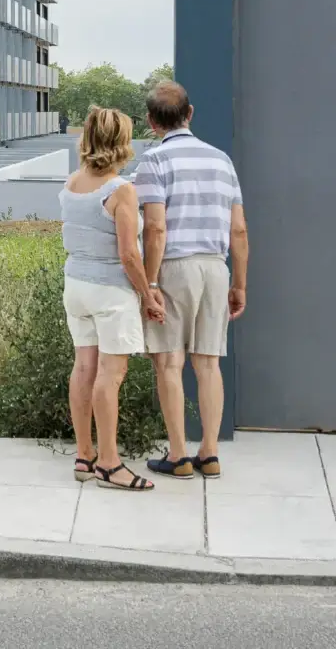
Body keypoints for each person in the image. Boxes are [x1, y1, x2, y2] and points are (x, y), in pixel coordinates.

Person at [134, 80, 249, 479]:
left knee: (169, 362)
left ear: (151, 122)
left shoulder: (153, 161)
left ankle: (179, 455)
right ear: (190, 113)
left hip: (173, 267)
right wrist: (239, 284)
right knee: (208, 363)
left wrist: (148, 283)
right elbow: (238, 231)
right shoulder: (222, 161)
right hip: (216, 268)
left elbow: (155, 228)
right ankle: (211, 453)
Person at [59, 107, 165, 492]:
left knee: (83, 368)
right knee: (111, 375)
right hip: (109, 292)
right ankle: (109, 463)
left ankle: (84, 457)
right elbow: (128, 255)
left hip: (76, 286)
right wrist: (148, 293)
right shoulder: (121, 190)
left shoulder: (72, 183)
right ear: (121, 141)